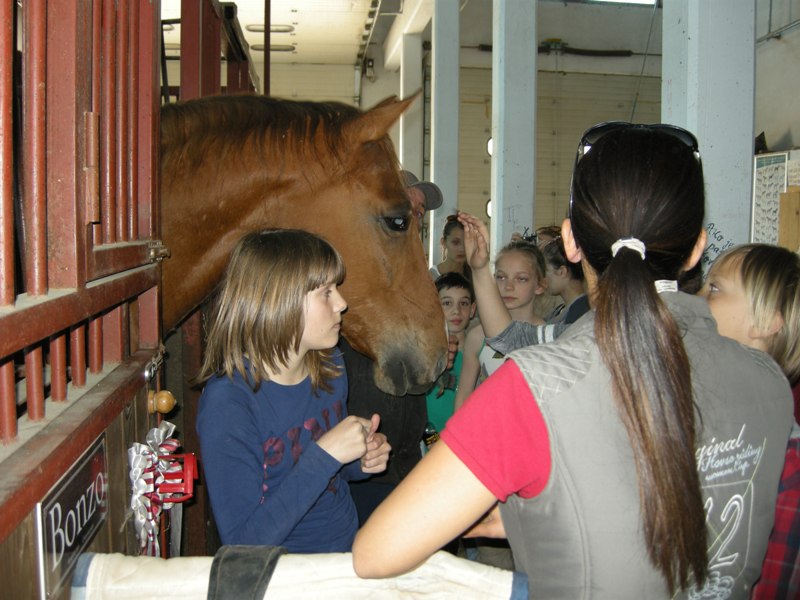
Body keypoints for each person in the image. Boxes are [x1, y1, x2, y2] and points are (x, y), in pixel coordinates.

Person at [353, 122, 793, 598]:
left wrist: (533, 517)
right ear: (696, 250)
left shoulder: (536, 386)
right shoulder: (769, 381)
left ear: (571, 242)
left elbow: (376, 551)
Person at [196, 229, 391, 553]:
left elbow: (330, 476)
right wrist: (325, 454)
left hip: (346, 547)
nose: (342, 304)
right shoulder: (228, 404)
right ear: (279, 301)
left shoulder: (330, 366)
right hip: (285, 569)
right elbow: (243, 543)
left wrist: (360, 459)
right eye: (326, 292)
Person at [345, 170, 447, 525]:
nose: (416, 217)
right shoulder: (352, 277)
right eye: (407, 209)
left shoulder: (418, 283)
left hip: (406, 460)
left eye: (421, 212)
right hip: (363, 465)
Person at [699, 243, 800, 599]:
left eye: (714, 288)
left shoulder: (787, 459)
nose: (697, 299)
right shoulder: (705, 416)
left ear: (766, 321)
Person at [453, 238, 546, 412]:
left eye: (521, 279)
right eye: (501, 277)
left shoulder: (547, 337)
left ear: (539, 285)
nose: (508, 286)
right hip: (488, 426)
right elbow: (464, 396)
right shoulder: (477, 337)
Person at [425, 272, 476, 434]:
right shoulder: (425, 355)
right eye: (447, 303)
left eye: (464, 303)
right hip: (429, 439)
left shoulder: (480, 354)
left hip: (467, 438)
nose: (456, 311)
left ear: (472, 309)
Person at [540, 234, 589, 325]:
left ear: (561, 271)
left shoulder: (580, 313)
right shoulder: (560, 310)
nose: (542, 278)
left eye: (545, 271)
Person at [430, 214, 471, 280]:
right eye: (455, 242)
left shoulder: (475, 277)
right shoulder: (431, 276)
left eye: (466, 243)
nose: (462, 249)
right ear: (443, 242)